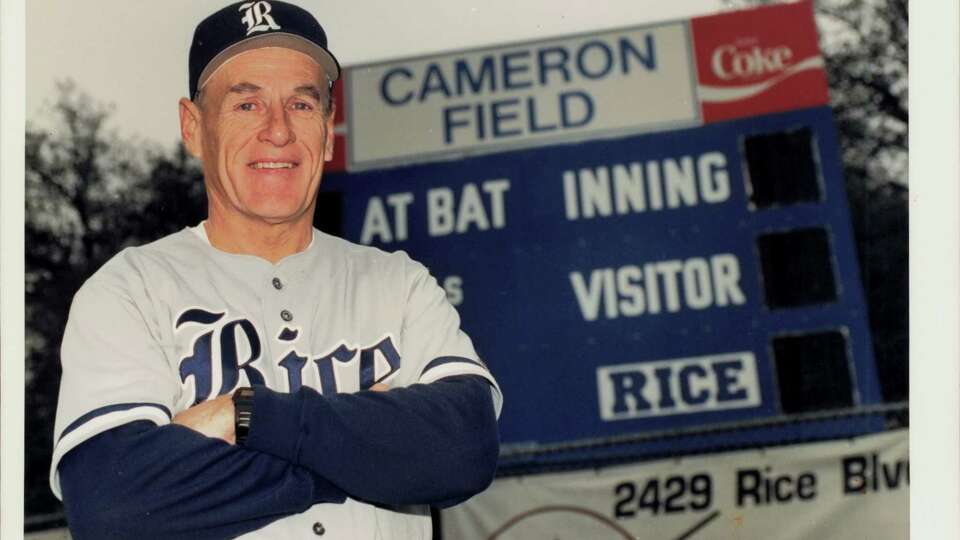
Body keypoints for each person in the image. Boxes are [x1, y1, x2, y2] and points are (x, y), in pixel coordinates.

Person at [48, 2, 502, 538]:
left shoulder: (398, 284)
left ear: (328, 127)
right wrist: (367, 453)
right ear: (194, 128)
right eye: (246, 105)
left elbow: (464, 448)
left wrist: (246, 414)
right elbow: (112, 506)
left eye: (302, 104)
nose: (279, 131)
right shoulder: (129, 292)